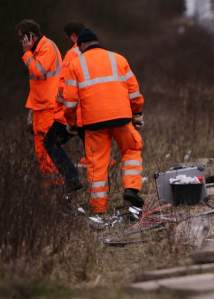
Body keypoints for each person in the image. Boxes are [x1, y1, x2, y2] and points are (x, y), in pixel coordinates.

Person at [63, 28, 145, 214]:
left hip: (94, 123)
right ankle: (131, 189)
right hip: (122, 118)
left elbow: (69, 103)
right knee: (132, 148)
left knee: (97, 164)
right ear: (96, 42)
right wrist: (137, 112)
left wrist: (72, 123)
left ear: (81, 45)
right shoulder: (118, 58)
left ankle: (98, 209)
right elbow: (134, 92)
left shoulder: (75, 65)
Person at [16, 19, 63, 184]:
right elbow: (37, 83)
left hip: (48, 106)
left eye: (23, 37)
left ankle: (56, 187)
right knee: (41, 150)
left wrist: (27, 53)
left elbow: (39, 72)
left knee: (48, 148)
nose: (21, 42)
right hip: (40, 106)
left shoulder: (46, 47)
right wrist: (31, 108)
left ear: (32, 37)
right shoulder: (39, 49)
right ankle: (49, 188)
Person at [43, 21, 86, 192]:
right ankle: (102, 188)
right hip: (92, 110)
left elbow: (65, 85)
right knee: (94, 151)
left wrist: (61, 107)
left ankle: (72, 177)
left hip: (72, 112)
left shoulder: (72, 54)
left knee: (50, 142)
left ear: (73, 36)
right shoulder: (95, 52)